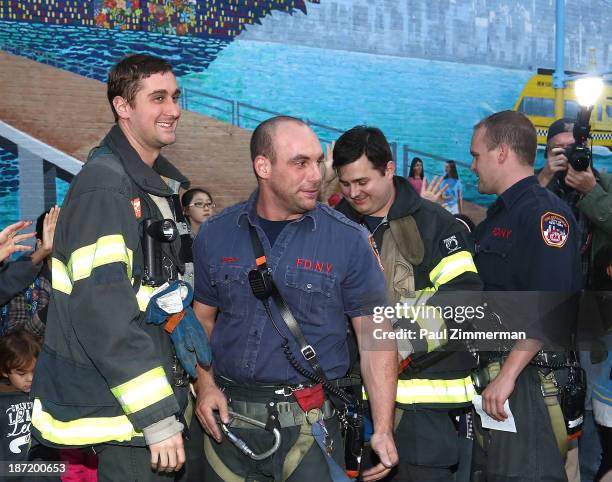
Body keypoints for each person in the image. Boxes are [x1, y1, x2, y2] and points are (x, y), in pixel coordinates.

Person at [192, 116, 399, 482]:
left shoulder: (347, 240)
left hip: (311, 429)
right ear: (263, 166)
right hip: (227, 428)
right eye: (300, 163)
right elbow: (201, 321)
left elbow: (376, 340)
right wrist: (204, 385)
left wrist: (382, 428)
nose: (317, 175)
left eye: (318, 161)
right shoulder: (216, 233)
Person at [30, 54, 193, 481]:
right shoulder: (106, 186)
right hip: (127, 422)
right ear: (123, 107)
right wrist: (157, 418)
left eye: (176, 97)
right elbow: (103, 314)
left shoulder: (152, 184)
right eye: (158, 98)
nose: (173, 110)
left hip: (148, 410)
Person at [332, 126, 482, 481]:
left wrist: (395, 344)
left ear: (388, 169)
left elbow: (463, 298)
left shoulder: (436, 224)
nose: (353, 193)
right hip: (349, 406)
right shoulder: (333, 226)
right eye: (345, 183)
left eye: (362, 181)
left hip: (421, 415)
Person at [470, 110, 581, 481]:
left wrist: (508, 376)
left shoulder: (544, 214)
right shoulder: (500, 215)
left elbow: (553, 302)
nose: (472, 165)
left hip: (528, 380)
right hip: (501, 376)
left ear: (501, 153)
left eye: (477, 155)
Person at [537, 118, 612, 482]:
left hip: (594, 315)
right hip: (546, 314)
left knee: (593, 406)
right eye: (559, 151)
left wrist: (591, 189)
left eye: (574, 150)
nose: (568, 157)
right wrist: (543, 178)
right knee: (544, 397)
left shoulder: (601, 185)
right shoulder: (537, 188)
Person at [1, 208, 59, 337]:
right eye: (57, 236)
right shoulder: (25, 284)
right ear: (40, 244)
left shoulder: (85, 275)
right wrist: (58, 305)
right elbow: (16, 339)